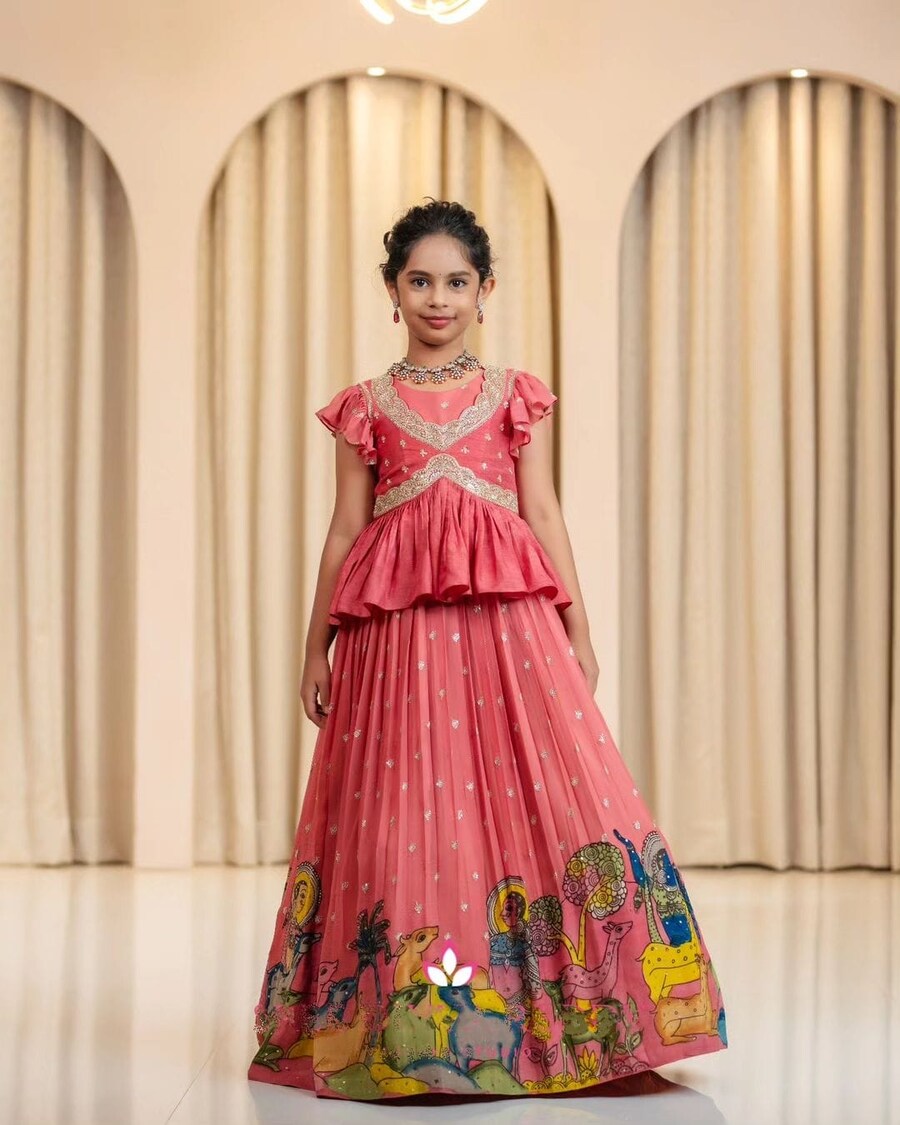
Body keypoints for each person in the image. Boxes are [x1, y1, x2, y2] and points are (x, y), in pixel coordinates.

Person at [247, 199, 728, 1101]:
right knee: (402, 810)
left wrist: (578, 624)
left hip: (508, 630)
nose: (439, 298)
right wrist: (316, 648)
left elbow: (541, 510)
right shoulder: (365, 407)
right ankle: (404, 1026)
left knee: (550, 788)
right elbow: (345, 529)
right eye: (420, 281)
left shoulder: (513, 394)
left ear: (485, 290)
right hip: (395, 641)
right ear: (393, 290)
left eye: (456, 281)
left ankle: (581, 1015)